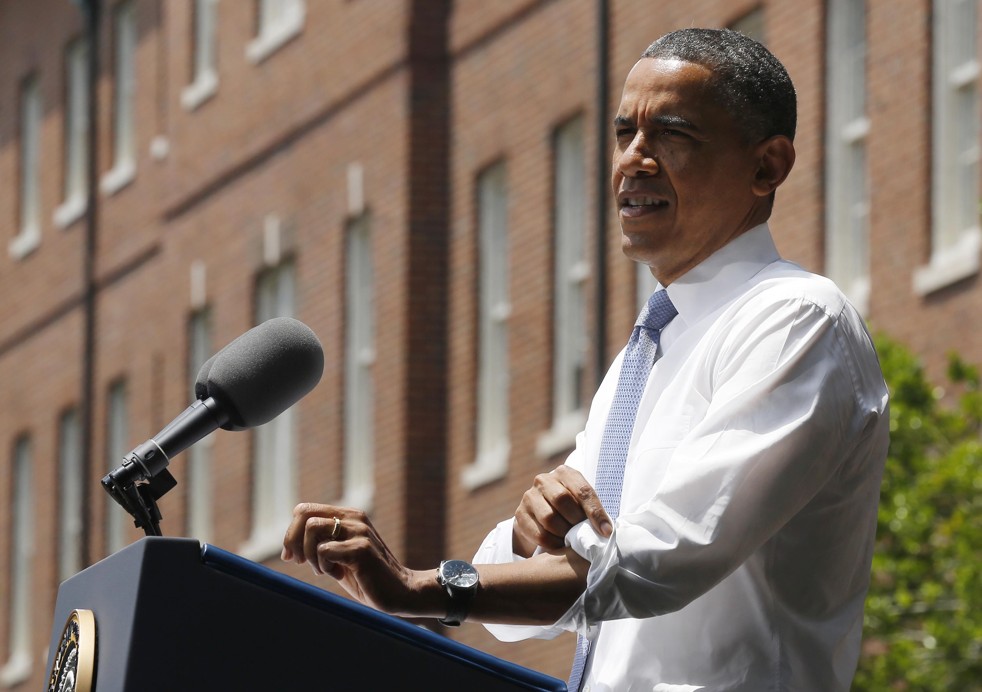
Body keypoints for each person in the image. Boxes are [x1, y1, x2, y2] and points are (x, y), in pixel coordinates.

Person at [281, 28, 889, 691]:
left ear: (767, 166)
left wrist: (419, 586)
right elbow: (527, 616)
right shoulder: (652, 346)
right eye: (624, 133)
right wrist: (529, 531)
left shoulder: (795, 321)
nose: (634, 160)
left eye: (673, 134)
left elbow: (653, 563)